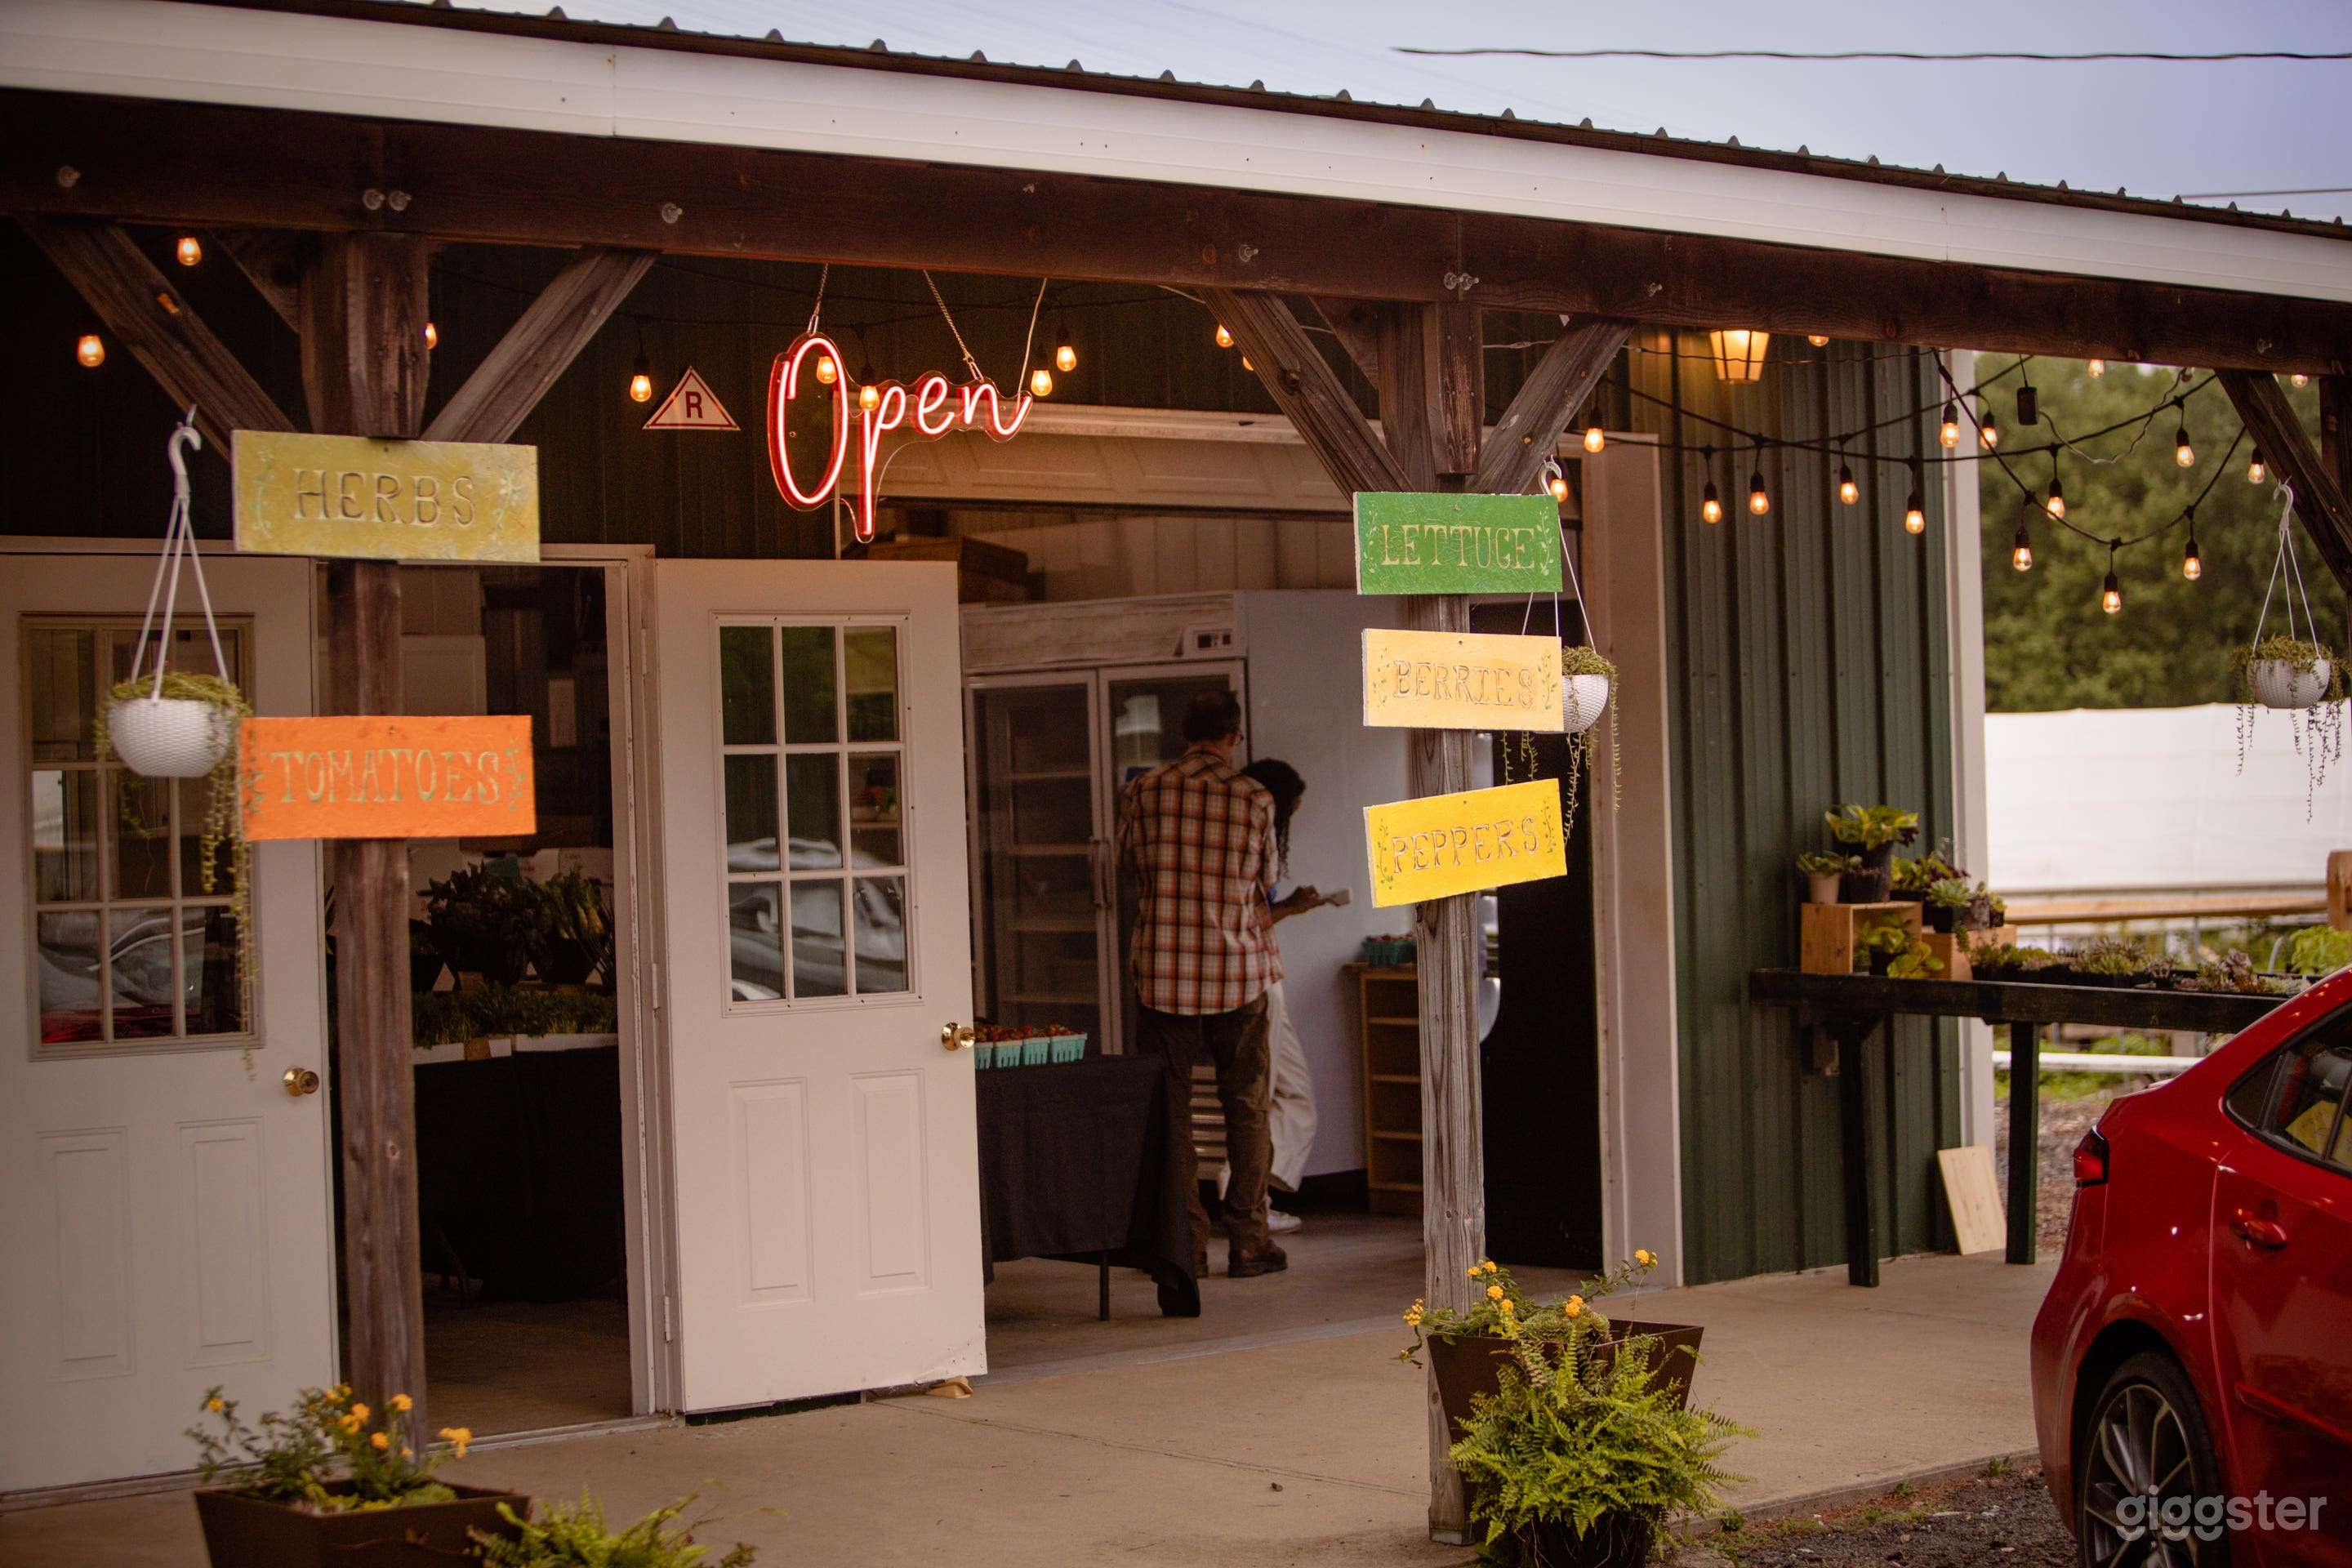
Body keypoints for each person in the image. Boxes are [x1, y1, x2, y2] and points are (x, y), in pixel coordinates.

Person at [1116, 689, 1286, 1279]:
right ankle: (1249, 1239)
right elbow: (1266, 879)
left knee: (1174, 1110)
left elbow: (1132, 867)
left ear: (1183, 732)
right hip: (1240, 971)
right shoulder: (1255, 798)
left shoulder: (1145, 789)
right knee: (1247, 1107)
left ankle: (1186, 1242)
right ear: (1234, 737)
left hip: (1164, 972)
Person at [1227, 758, 1321, 1235]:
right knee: (1268, 1092)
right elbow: (1252, 919)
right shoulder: (1253, 838)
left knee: (1287, 1093)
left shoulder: (1235, 833)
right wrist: (1294, 908)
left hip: (1256, 976)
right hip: (1259, 978)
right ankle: (1246, 1196)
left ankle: (1246, 1189)